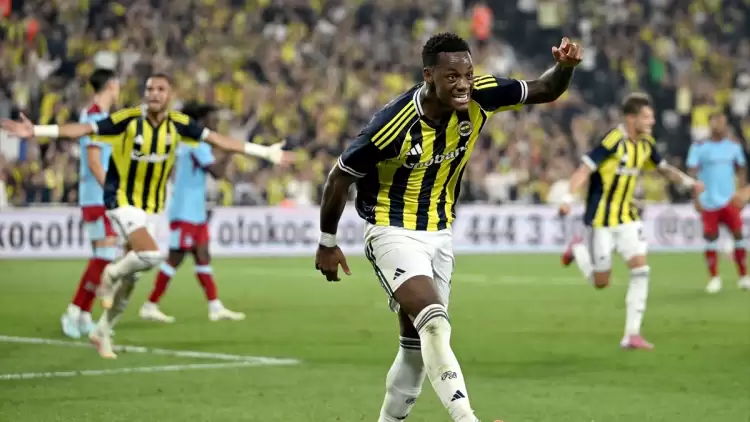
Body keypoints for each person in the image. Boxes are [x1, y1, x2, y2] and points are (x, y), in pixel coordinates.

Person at [315, 32, 582, 422]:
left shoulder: (481, 96)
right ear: (429, 76)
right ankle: (466, 418)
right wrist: (327, 242)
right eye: (452, 76)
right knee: (436, 324)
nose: (463, 84)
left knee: (415, 349)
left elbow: (546, 89)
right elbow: (339, 177)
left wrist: (565, 67)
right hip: (391, 230)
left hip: (439, 234)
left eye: (468, 74)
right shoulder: (392, 125)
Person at [2, 73, 294, 359]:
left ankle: (103, 330)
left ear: (170, 95)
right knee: (152, 255)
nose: (154, 93)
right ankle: (110, 274)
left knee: (133, 279)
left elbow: (218, 140)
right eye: (150, 89)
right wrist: (37, 131)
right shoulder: (128, 119)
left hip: (152, 208)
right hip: (120, 200)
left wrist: (265, 152)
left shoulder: (179, 125)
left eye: (160, 89)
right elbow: (84, 130)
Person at [559, 93, 704, 350]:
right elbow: (584, 169)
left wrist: (689, 183)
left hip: (628, 217)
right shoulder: (613, 141)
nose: (652, 121)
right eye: (646, 117)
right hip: (600, 220)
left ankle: (632, 334)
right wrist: (568, 198)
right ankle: (578, 247)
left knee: (641, 270)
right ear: (631, 118)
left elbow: (663, 168)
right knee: (601, 282)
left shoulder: (646, 143)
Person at [140, 102, 245, 322]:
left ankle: (215, 307)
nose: (216, 123)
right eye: (212, 119)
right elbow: (216, 173)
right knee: (176, 258)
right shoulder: (196, 144)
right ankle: (150, 304)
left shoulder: (188, 143)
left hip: (194, 212)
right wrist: (231, 151)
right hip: (185, 212)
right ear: (201, 122)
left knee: (203, 255)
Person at [60, 68, 120, 339]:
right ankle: (73, 311)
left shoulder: (98, 116)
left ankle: (84, 314)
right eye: (117, 84)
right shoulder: (95, 118)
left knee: (102, 258)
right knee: (104, 257)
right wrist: (113, 192)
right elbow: (95, 163)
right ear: (111, 85)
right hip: (98, 197)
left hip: (95, 195)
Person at [686, 112, 750, 293]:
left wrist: (742, 193)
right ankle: (714, 278)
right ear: (710, 124)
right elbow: (691, 173)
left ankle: (743, 276)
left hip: (730, 200)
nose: (719, 126)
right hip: (708, 200)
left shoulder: (733, 146)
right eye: (716, 122)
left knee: (738, 236)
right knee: (710, 239)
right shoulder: (699, 147)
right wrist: (695, 198)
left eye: (722, 122)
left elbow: (742, 169)